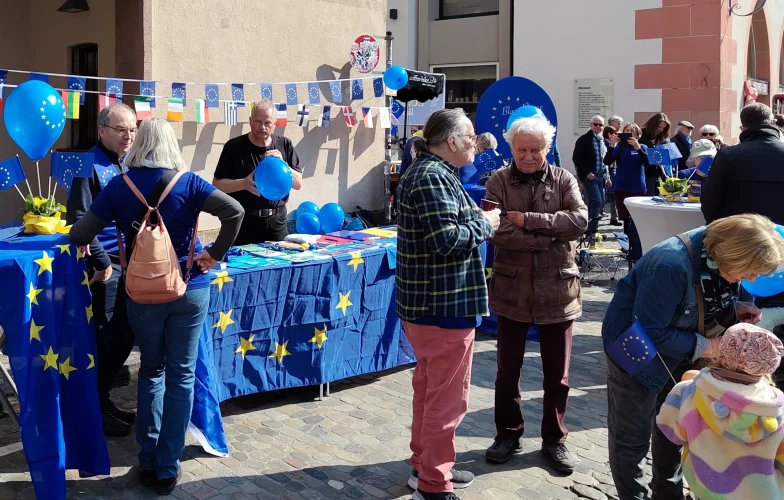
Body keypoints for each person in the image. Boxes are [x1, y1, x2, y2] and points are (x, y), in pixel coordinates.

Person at [69, 118, 245, 495]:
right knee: (181, 375)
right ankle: (167, 467)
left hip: (141, 293)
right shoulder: (191, 182)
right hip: (189, 288)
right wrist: (213, 254)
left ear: (139, 144)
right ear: (170, 146)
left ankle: (146, 458)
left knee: (152, 371)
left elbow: (80, 233)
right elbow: (234, 212)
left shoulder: (120, 185)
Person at [602, 214, 783, 500]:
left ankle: (668, 494)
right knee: (631, 439)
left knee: (673, 426)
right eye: (748, 272)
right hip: (636, 353)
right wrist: (711, 347)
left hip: (681, 350)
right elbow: (650, 331)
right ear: (732, 253)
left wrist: (736, 308)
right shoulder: (671, 265)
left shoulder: (718, 254)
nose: (752, 279)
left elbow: (702, 298)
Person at [396, 108, 500, 500]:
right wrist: (486, 224)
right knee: (446, 400)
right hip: (442, 307)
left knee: (430, 392)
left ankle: (425, 467)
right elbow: (447, 240)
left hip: (438, 305)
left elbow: (444, 230)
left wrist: (475, 219)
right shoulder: (431, 176)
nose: (476, 142)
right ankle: (433, 484)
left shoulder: (435, 173)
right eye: (471, 135)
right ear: (453, 140)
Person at [484, 117, 588, 473]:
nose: (528, 157)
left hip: (557, 290)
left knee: (557, 376)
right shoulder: (498, 181)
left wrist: (529, 220)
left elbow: (579, 221)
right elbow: (496, 231)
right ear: (511, 148)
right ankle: (508, 434)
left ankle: (554, 440)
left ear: (547, 148)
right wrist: (551, 235)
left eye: (535, 150)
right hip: (512, 289)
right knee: (506, 372)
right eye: (521, 150)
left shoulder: (563, 179)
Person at [66, 103, 138, 437]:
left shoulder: (129, 163)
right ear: (102, 130)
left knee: (121, 338)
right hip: (105, 268)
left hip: (131, 263)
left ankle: (102, 401)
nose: (129, 136)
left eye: (133, 130)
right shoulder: (88, 166)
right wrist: (101, 260)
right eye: (121, 129)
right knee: (104, 342)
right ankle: (93, 411)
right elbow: (78, 219)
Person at [656, 323, 784, 500]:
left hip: (706, 491)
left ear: (722, 350)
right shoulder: (777, 409)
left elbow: (671, 431)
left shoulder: (687, 392)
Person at [212, 100, 303, 245]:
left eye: (267, 123)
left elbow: (298, 184)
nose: (262, 127)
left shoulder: (284, 144)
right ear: (250, 121)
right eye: (258, 121)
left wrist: (284, 165)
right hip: (245, 222)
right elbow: (217, 184)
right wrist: (243, 184)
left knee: (280, 265)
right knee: (245, 266)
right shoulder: (234, 147)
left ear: (275, 123)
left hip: (277, 222)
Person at [701, 103, 784, 225]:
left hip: (738, 236)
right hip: (778, 237)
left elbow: (709, 201)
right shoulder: (727, 155)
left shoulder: (728, 155)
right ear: (773, 122)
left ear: (743, 127)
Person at [572, 115, 609, 244]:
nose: (598, 127)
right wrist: (586, 173)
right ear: (591, 124)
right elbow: (576, 158)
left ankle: (592, 229)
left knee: (601, 201)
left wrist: (607, 176)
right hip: (590, 177)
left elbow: (606, 161)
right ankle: (590, 231)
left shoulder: (603, 141)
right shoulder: (584, 139)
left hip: (600, 176)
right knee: (596, 200)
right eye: (595, 124)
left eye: (601, 125)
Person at [640, 113, 671, 195]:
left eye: (663, 128)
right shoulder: (642, 135)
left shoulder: (663, 138)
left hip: (659, 174)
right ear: (653, 125)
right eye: (659, 127)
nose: (661, 130)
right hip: (646, 173)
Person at [602, 125, 620, 226]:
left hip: (613, 171)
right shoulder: (606, 143)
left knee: (613, 196)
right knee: (605, 196)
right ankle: (596, 214)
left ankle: (614, 217)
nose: (614, 135)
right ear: (608, 134)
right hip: (608, 171)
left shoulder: (614, 144)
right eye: (612, 133)